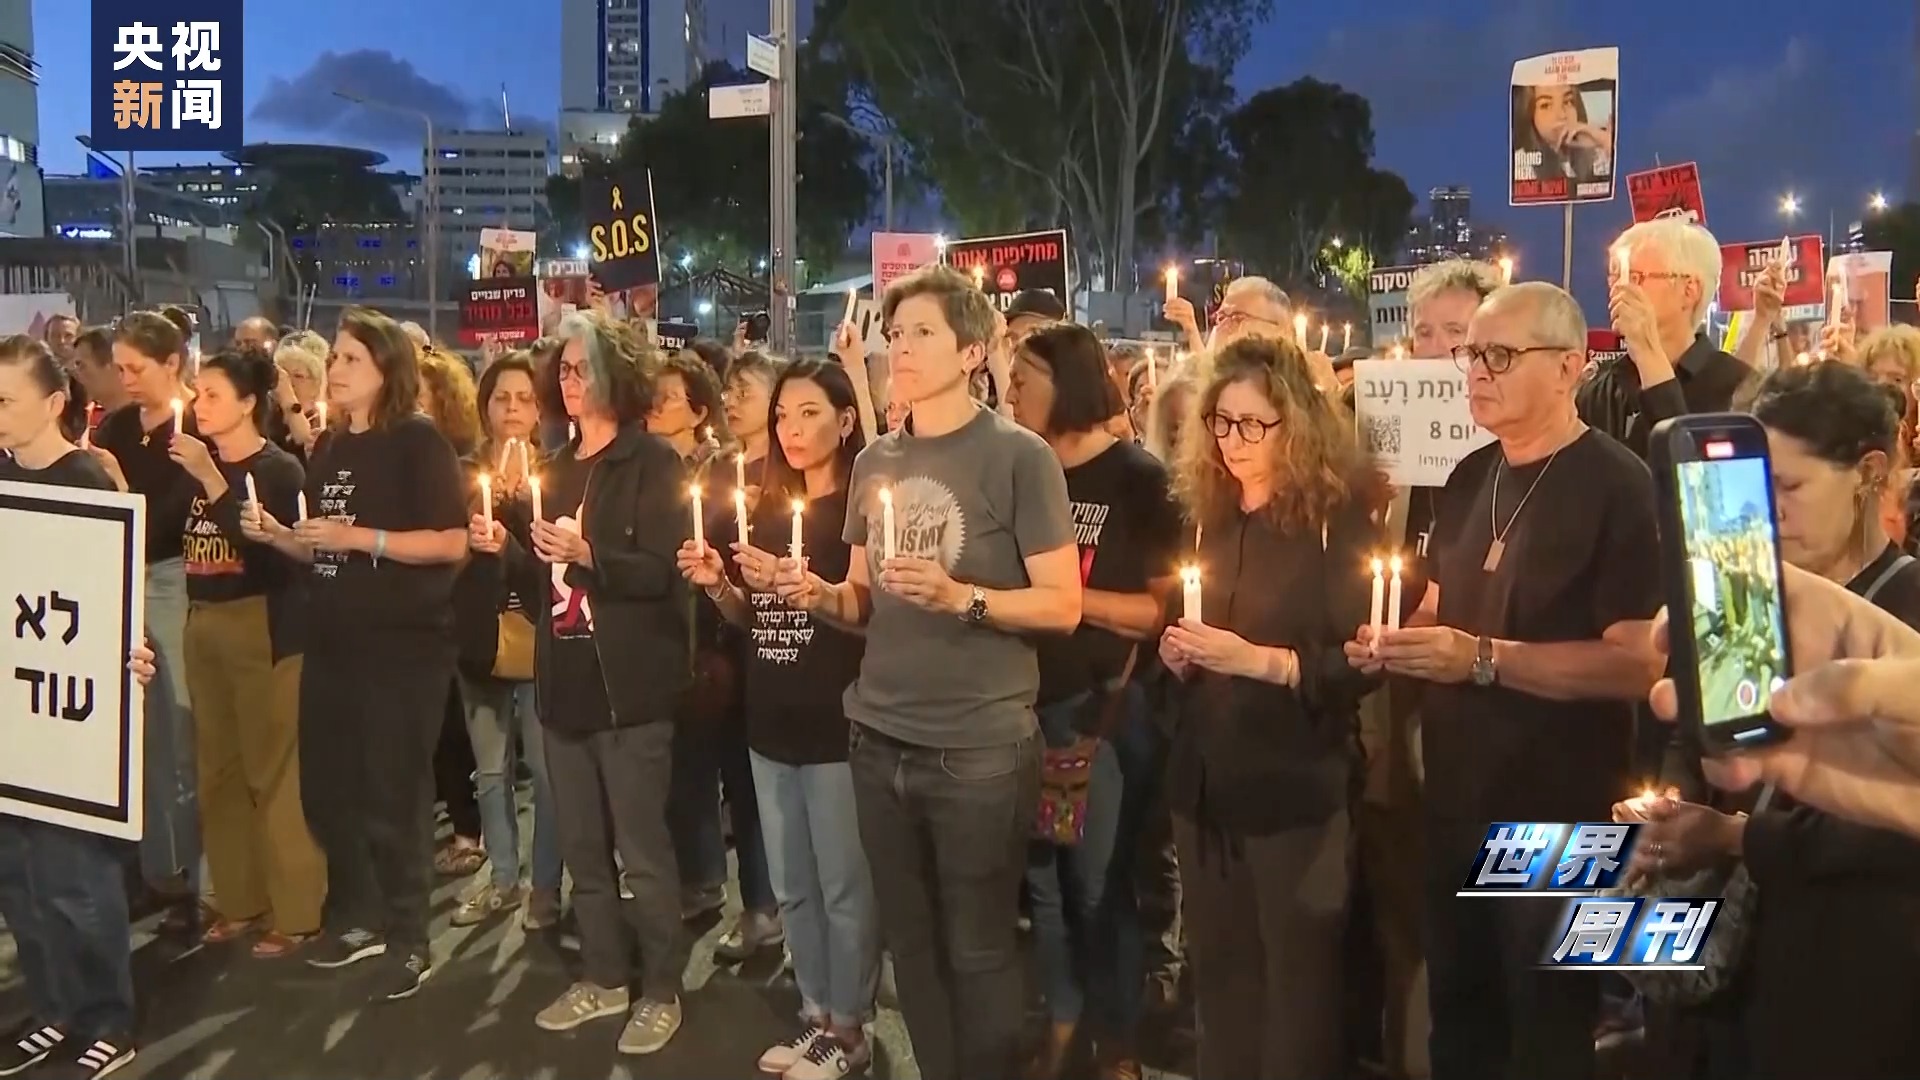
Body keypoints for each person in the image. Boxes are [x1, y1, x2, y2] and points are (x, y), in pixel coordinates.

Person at [1349, 282, 1664, 1080]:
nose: (1476, 372)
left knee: (1549, 1031)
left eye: (1499, 354)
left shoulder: (1620, 485)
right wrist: (1396, 642)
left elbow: (1637, 661)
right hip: (1457, 797)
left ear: (1568, 367)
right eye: (1471, 354)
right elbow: (1446, 606)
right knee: (1461, 1020)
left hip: (1563, 810)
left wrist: (1483, 658)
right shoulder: (1468, 474)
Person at [774, 264, 1081, 1080]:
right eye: (894, 332)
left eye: (921, 333)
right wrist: (816, 594)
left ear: (973, 351)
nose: (900, 348)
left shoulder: (1019, 458)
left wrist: (962, 598)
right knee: (910, 945)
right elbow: (861, 600)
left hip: (977, 748)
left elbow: (1062, 606)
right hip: (878, 737)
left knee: (978, 950)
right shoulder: (876, 460)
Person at [1623, 362, 1920, 1080]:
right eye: (1757, 490)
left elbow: (1886, 831)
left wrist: (1733, 835)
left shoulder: (1905, 613)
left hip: (1849, 963)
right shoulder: (1748, 587)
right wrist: (1671, 808)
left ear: (1868, 473)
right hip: (1723, 961)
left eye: (1788, 488)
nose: (1768, 512)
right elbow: (1689, 723)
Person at [1158, 336, 1381, 1079]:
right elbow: (1183, 627)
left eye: (1254, 424)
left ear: (1297, 425)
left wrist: (1263, 662)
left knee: (1297, 986)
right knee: (1221, 978)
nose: (1234, 441)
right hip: (1207, 786)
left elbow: (1362, 661)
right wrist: (1177, 656)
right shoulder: (1208, 514)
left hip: (1295, 788)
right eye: (1221, 422)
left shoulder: (1334, 521)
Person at [473, 312, 693, 1056]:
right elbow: (546, 579)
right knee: (582, 847)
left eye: (583, 367)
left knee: (642, 851)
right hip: (563, 682)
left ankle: (661, 988)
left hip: (630, 689)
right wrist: (507, 546)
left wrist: (591, 553)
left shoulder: (653, 462)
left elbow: (661, 574)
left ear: (616, 375)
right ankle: (603, 975)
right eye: (562, 369)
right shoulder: (558, 466)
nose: (570, 382)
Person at [240, 306, 469, 1002]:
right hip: (333, 641)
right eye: (335, 357)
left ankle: (409, 935)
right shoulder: (334, 445)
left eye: (349, 360)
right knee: (328, 789)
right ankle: (359, 915)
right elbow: (325, 549)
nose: (334, 371)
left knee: (393, 793)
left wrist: (361, 538)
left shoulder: (418, 441)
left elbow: (451, 541)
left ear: (385, 370)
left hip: (402, 649)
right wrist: (281, 536)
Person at [679, 358, 881, 1079]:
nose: (791, 430)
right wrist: (720, 588)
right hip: (769, 719)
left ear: (847, 421)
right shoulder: (765, 511)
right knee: (792, 882)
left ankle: (850, 1029)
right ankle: (816, 1013)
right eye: (783, 416)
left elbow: (869, 615)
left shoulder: (862, 513)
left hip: (836, 720)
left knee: (843, 886)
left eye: (809, 414)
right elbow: (753, 617)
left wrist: (814, 589)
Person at [1006, 322, 1181, 1080]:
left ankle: (1118, 1043)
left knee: (1100, 885)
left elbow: (1161, 611)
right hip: (1025, 705)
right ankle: (1064, 1017)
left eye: (1024, 379)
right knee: (1044, 882)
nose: (1010, 392)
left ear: (1067, 384)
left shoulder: (1139, 480)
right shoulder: (1025, 470)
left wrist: (1067, 602)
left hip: (1102, 714)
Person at [0, 333, 163, 1080]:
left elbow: (117, 598)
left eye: (6, 400)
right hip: (15, 718)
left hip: (73, 722)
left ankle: (107, 1017)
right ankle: (55, 1006)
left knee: (77, 879)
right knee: (19, 878)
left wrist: (135, 652)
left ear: (53, 403)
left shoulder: (88, 483)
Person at [172, 345, 327, 958]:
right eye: (197, 394)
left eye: (212, 395)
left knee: (273, 770)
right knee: (219, 768)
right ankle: (239, 898)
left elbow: (273, 551)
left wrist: (214, 482)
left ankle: (297, 909)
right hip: (204, 617)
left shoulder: (278, 470)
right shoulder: (194, 463)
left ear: (246, 404)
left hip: (262, 621)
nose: (199, 405)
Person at [94, 311, 204, 932]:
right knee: (133, 733)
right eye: (119, 368)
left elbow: (171, 520)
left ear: (173, 364)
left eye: (136, 368)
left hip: (169, 576)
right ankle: (152, 867)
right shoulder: (115, 426)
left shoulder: (196, 430)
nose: (126, 379)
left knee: (175, 726)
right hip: (119, 576)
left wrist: (117, 487)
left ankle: (189, 874)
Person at [450, 350, 563, 929]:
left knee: (546, 771)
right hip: (479, 641)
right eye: (502, 398)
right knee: (490, 771)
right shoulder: (463, 474)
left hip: (542, 640)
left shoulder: (558, 474)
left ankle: (545, 884)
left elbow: (554, 571)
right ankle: (501, 876)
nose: (513, 409)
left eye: (525, 399)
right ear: (485, 407)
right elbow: (446, 557)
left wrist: (517, 526)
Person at [1580, 216, 1752, 459]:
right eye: (1614, 277)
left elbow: (1696, 473)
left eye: (1635, 277)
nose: (1618, 289)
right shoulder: (1602, 389)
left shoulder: (1739, 387)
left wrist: (1648, 352)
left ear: (1689, 290)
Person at [417, 347, 489, 882]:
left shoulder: (460, 466)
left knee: (457, 730)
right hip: (409, 613)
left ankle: (470, 831)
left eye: (420, 397)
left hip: (453, 609)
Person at [1510, 83, 1613, 185]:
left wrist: (1604, 140)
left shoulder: (1598, 154)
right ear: (1530, 114)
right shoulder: (1517, 163)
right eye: (1546, 105)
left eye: (1568, 102)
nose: (1562, 115)